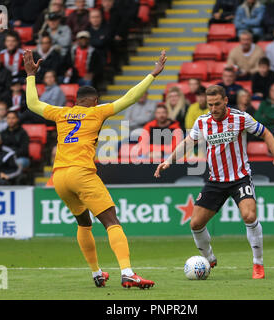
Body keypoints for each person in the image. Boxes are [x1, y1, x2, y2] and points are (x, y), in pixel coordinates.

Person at [24, 49, 167, 288]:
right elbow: (129, 98)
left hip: (59, 177)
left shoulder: (62, 113)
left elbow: (32, 103)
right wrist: (152, 75)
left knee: (83, 223)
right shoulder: (97, 112)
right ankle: (128, 272)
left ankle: (96, 273)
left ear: (75, 101)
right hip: (81, 173)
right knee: (111, 221)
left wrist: (30, 75)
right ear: (95, 101)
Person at [154, 85, 274, 280]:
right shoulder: (202, 122)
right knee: (196, 224)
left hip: (240, 177)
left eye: (217, 104)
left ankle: (258, 263)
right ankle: (209, 258)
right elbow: (188, 143)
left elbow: (265, 132)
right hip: (215, 180)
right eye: (210, 105)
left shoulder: (241, 118)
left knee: (249, 216)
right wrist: (168, 161)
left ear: (225, 101)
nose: (213, 109)